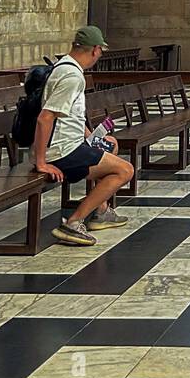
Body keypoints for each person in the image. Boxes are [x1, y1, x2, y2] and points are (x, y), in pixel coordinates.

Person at [34, 26, 135, 247]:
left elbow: (70, 114)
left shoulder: (66, 68)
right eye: (100, 52)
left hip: (71, 143)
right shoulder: (72, 76)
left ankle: (101, 211)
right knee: (125, 170)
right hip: (63, 151)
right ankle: (73, 222)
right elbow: (45, 117)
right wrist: (41, 162)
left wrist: (91, 136)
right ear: (96, 50)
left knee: (110, 145)